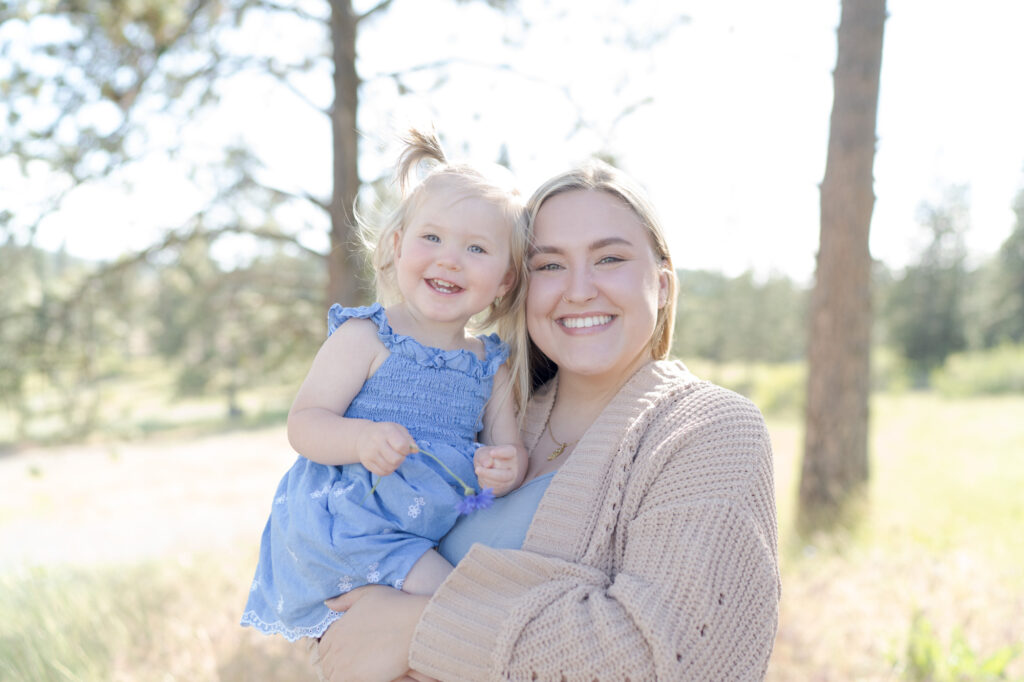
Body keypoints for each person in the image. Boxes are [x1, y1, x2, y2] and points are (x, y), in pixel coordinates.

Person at [312, 159, 782, 681]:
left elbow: (673, 660)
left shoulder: (709, 430)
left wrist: (417, 628)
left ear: (664, 284)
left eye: (609, 258)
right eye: (550, 265)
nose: (578, 289)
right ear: (517, 285)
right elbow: (349, 588)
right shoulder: (478, 421)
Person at [240, 129, 530, 643]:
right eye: (432, 238)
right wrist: (360, 439)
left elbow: (508, 448)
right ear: (397, 247)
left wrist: (505, 468)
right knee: (461, 603)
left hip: (429, 523)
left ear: (505, 279)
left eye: (477, 248)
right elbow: (304, 423)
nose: (449, 259)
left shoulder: (490, 365)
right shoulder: (367, 335)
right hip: (351, 522)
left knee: (419, 634)